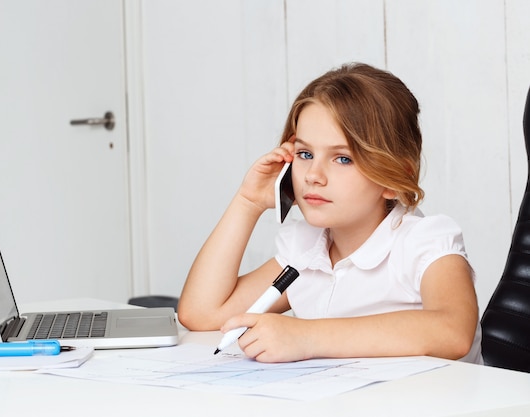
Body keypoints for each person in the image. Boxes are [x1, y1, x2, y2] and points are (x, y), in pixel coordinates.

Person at [177, 62, 482, 364]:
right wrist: (248, 203)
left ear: (391, 180)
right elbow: (202, 313)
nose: (313, 175)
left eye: (343, 159)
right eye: (305, 154)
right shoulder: (304, 249)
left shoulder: (424, 242)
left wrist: (306, 336)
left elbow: (453, 332)